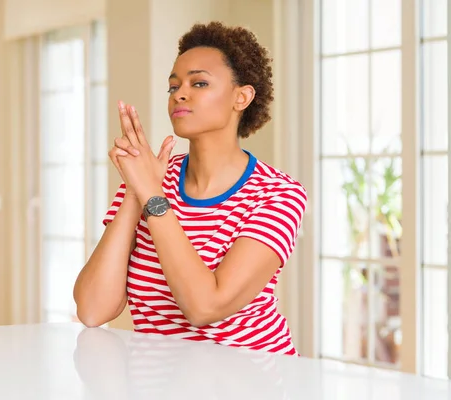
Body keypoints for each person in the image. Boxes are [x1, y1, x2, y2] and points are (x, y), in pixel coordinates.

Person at [73, 21, 307, 356]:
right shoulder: (151, 178)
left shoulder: (277, 194)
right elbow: (93, 310)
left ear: (242, 97)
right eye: (173, 86)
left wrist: (153, 198)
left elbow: (205, 308)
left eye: (199, 83)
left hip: (253, 382)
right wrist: (134, 193)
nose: (180, 94)